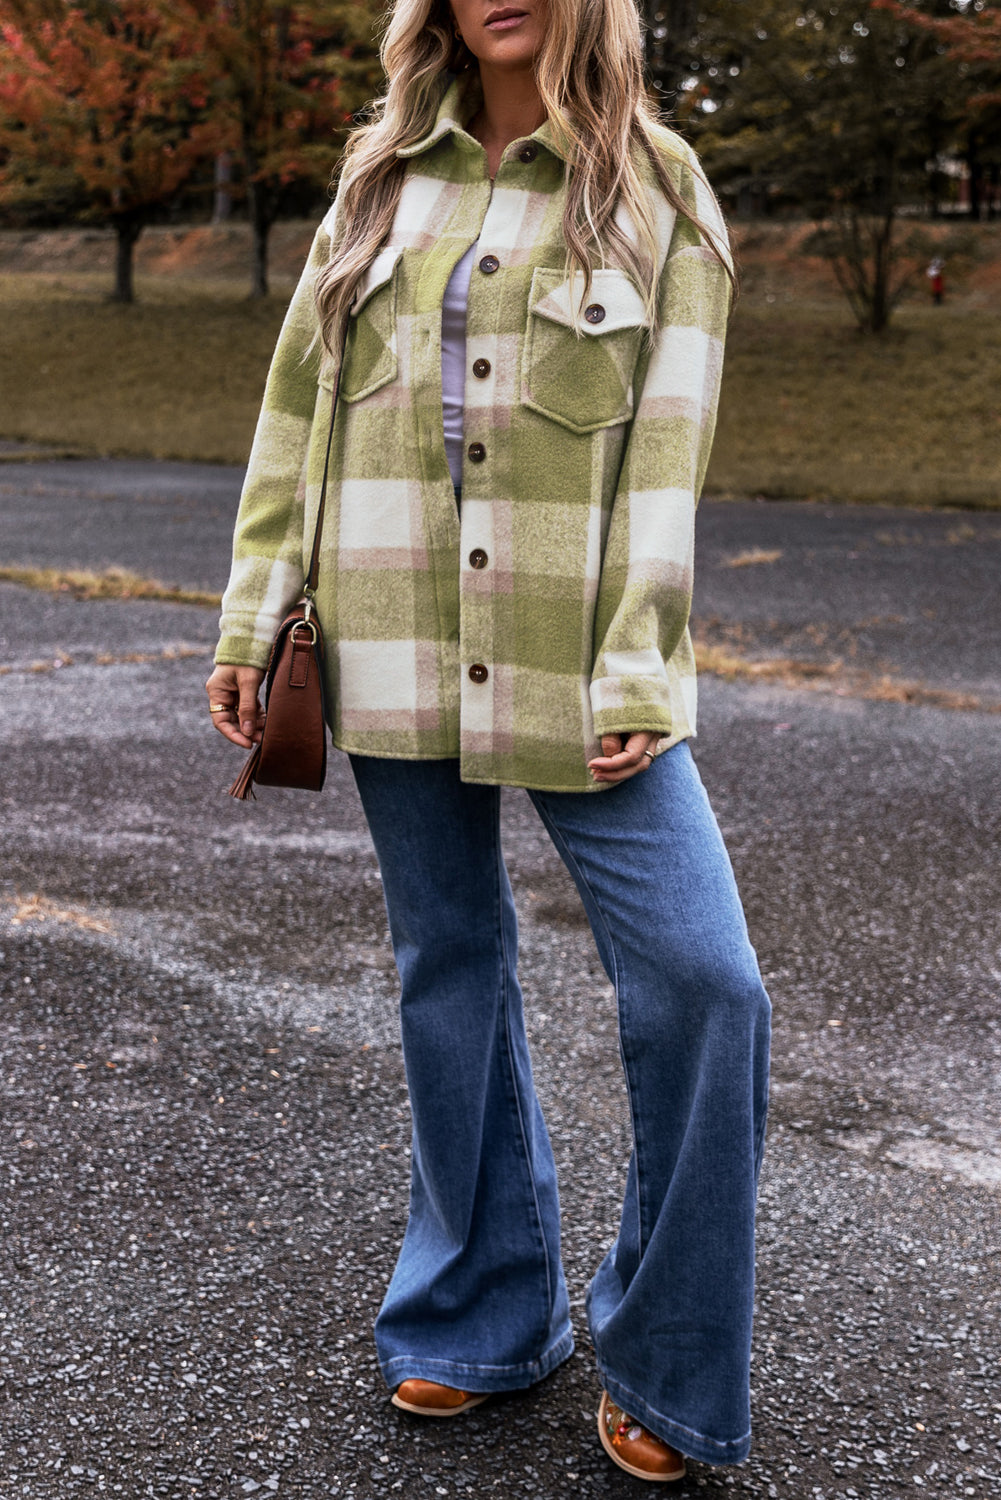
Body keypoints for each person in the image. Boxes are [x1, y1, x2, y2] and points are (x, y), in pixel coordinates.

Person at [206, 0, 771, 1482]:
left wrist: (637, 663)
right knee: (446, 969)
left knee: (707, 985)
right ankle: (473, 1315)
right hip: (385, 624)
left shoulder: (653, 181)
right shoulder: (381, 176)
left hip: (569, 661)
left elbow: (669, 449)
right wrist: (254, 617)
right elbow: (298, 414)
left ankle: (668, 1354)